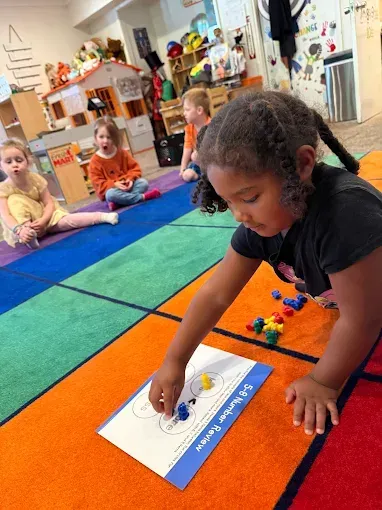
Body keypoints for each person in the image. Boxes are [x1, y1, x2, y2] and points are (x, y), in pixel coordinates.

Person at [149, 92, 382, 436]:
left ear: (302, 166)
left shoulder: (346, 214)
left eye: (249, 197)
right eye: (228, 201)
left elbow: (364, 319)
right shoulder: (261, 221)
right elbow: (216, 294)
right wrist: (175, 359)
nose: (239, 214)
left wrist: (323, 380)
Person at [0, 139, 119, 249]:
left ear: (27, 162)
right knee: (14, 200)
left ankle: (101, 217)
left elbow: (48, 202)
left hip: (45, 216)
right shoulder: (4, 188)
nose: (14, 164)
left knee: (69, 221)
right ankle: (29, 235)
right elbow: (6, 215)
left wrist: (43, 220)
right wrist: (19, 230)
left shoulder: (35, 179)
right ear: (1, 166)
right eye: (8, 162)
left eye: (19, 160)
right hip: (20, 227)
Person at [89, 116, 161, 211]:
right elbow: (98, 184)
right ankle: (141, 197)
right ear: (95, 138)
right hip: (113, 190)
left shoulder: (122, 153)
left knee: (143, 183)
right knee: (110, 195)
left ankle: (120, 203)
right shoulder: (95, 161)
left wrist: (130, 179)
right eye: (101, 137)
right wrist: (114, 184)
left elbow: (135, 168)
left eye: (109, 137)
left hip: (128, 187)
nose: (105, 141)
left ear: (114, 138)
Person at [180, 88, 211, 182]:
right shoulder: (189, 129)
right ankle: (201, 175)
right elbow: (187, 148)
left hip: (213, 162)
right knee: (187, 175)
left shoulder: (212, 126)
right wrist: (183, 168)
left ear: (199, 110)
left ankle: (208, 174)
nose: (184, 113)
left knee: (195, 155)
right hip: (198, 164)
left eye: (187, 110)